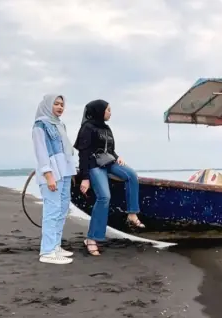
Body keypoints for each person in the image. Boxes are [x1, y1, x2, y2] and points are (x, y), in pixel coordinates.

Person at [73, 99, 144, 257]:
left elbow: (110, 149)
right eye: (108, 110)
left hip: (109, 162)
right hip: (94, 164)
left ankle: (132, 213)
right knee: (104, 197)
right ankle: (92, 238)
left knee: (131, 175)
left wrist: (117, 157)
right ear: (99, 111)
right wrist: (85, 177)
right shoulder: (87, 127)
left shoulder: (106, 128)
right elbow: (83, 153)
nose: (110, 112)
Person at [32, 93, 76, 264]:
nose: (60, 107)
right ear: (48, 105)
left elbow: (66, 150)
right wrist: (48, 175)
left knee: (62, 208)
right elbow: (41, 151)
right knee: (52, 210)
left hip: (64, 172)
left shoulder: (60, 124)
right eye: (56, 104)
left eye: (62, 105)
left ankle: (55, 245)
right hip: (52, 172)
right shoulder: (40, 125)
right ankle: (47, 252)